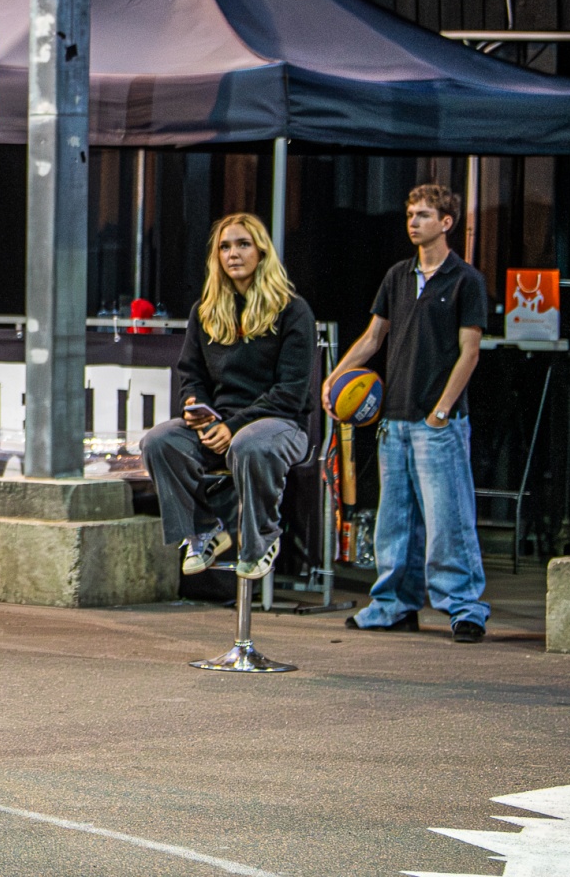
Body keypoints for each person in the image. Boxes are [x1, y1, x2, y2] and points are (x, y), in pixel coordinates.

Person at [329, 183, 491, 642]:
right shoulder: (398, 275)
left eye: (423, 215)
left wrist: (441, 411)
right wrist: (335, 377)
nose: (413, 222)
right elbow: (373, 337)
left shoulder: (465, 280)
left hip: (436, 420)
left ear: (446, 222)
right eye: (410, 215)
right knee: (395, 522)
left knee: (448, 521)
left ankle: (465, 608)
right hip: (394, 419)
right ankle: (394, 604)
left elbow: (470, 352)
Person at [140, 214, 315, 582]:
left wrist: (232, 426)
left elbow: (290, 393)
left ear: (261, 252)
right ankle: (202, 531)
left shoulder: (292, 310)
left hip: (281, 425)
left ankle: (261, 540)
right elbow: (191, 375)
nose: (233, 253)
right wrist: (195, 407)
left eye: (243, 244)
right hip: (221, 425)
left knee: (249, 443)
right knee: (158, 441)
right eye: (225, 247)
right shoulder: (205, 311)